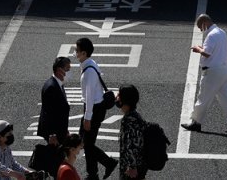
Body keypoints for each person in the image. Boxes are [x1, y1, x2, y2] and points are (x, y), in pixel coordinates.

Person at [181, 14, 227, 133]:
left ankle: (196, 122)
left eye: (201, 27)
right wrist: (202, 48)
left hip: (212, 72)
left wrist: (197, 49)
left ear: (205, 22)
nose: (201, 30)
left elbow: (207, 53)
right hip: (224, 70)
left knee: (203, 98)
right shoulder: (221, 32)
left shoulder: (211, 35)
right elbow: (215, 51)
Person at [76, 37, 118, 180]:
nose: (75, 53)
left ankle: (107, 164)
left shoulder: (88, 72)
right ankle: (93, 172)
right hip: (95, 108)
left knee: (87, 144)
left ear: (84, 53)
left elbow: (89, 97)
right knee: (87, 142)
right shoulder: (91, 64)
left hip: (93, 109)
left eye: (77, 50)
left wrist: (87, 118)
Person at [38, 57, 72, 147]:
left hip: (59, 131)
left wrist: (65, 130)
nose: (69, 72)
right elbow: (49, 113)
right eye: (67, 69)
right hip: (54, 134)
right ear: (59, 70)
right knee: (56, 159)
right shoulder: (51, 87)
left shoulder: (58, 84)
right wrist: (52, 135)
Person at [117, 85, 146, 180]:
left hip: (131, 168)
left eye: (119, 96)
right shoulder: (134, 116)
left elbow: (132, 144)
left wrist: (132, 166)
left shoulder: (129, 121)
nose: (117, 97)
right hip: (134, 165)